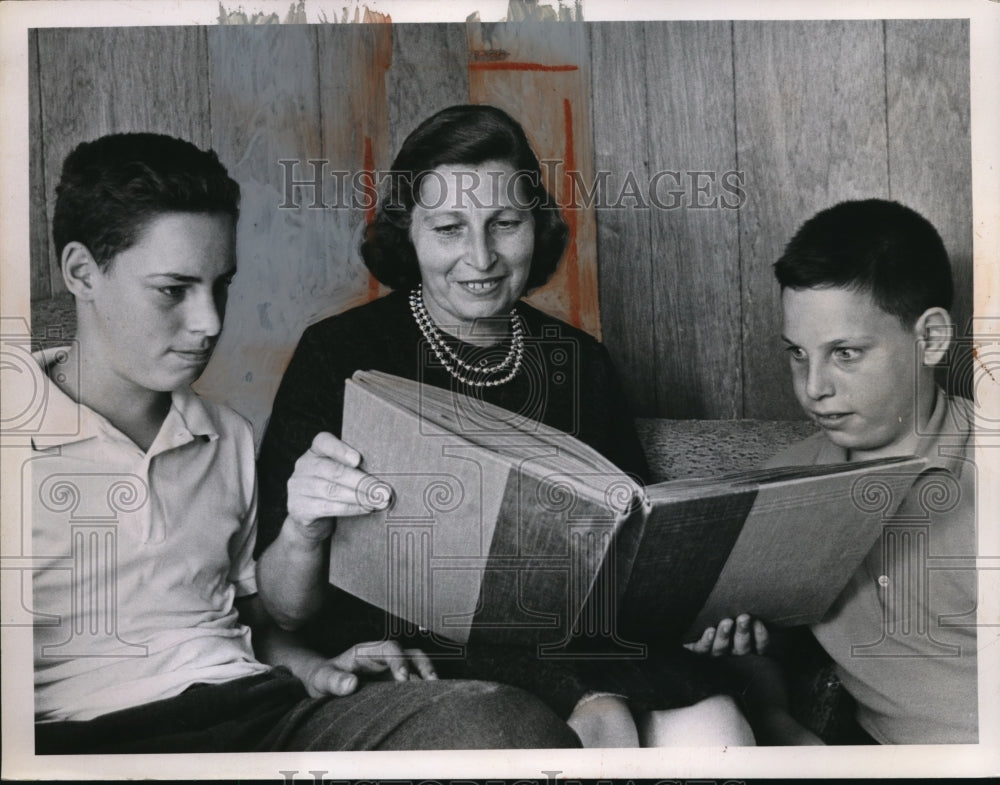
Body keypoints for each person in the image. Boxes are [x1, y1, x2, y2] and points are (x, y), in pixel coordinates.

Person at [29, 132, 581, 753]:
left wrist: (320, 667)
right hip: (100, 738)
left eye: (222, 287)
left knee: (505, 724)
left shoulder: (225, 434)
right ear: (81, 272)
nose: (210, 322)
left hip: (260, 706)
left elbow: (251, 623)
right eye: (173, 290)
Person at [255, 104, 754, 747]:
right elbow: (286, 609)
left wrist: (702, 605)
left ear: (535, 225)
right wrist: (305, 522)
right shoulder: (337, 354)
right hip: (418, 655)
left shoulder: (580, 362)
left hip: (574, 640)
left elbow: (633, 555)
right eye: (449, 228)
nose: (481, 257)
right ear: (408, 232)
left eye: (504, 224)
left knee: (715, 725)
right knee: (601, 730)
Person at [729, 199, 978, 744]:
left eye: (845, 353)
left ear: (931, 339)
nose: (813, 387)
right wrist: (775, 718)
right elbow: (758, 641)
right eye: (798, 353)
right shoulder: (785, 484)